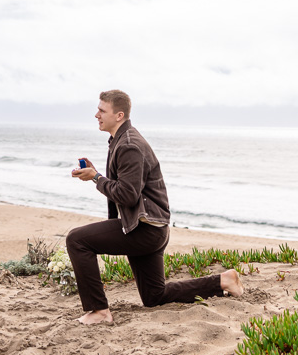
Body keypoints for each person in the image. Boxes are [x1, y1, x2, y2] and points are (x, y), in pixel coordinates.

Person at [67, 90, 244, 325]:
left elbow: (127, 196)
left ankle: (99, 311)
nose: (96, 114)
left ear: (119, 115)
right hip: (151, 227)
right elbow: (126, 187)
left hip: (145, 230)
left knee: (76, 240)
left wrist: (96, 177)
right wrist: (95, 175)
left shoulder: (129, 144)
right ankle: (223, 280)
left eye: (102, 110)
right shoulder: (121, 140)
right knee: (154, 297)